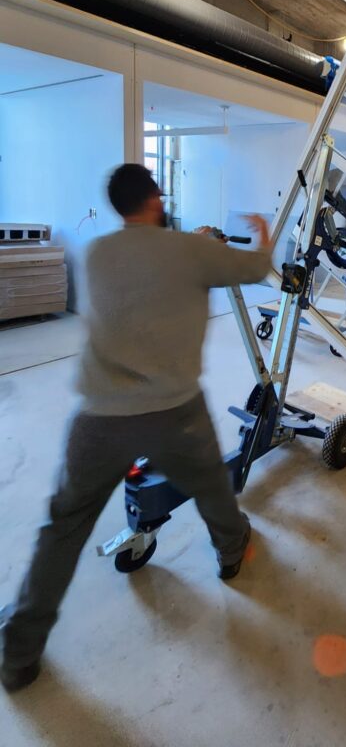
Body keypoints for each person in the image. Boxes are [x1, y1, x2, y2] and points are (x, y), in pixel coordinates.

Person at [1, 164, 274, 692]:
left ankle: (19, 653)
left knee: (63, 527)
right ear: (153, 199)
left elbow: (147, 276)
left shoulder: (96, 254)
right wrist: (259, 234)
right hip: (175, 412)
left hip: (98, 418)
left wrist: (190, 247)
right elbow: (256, 268)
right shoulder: (190, 251)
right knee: (212, 487)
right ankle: (231, 551)